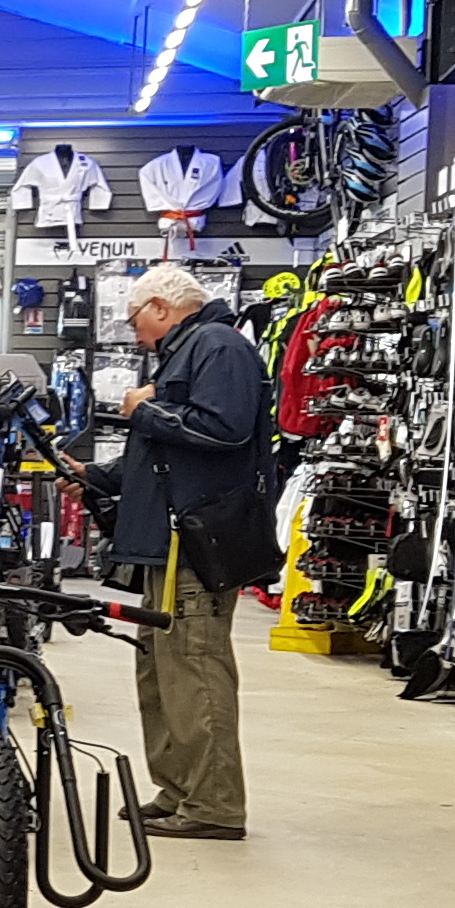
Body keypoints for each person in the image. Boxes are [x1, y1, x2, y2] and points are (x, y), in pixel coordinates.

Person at [108, 263, 267, 839]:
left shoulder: (218, 346)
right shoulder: (189, 351)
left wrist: (145, 410)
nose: (136, 336)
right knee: (163, 672)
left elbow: (224, 430)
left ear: (160, 306)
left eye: (135, 322)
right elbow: (165, 453)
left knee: (195, 666)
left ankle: (214, 806)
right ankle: (180, 790)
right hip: (168, 540)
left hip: (196, 542)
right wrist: (97, 477)